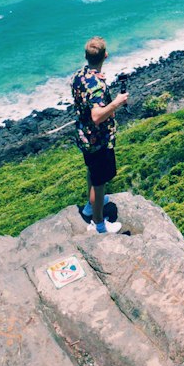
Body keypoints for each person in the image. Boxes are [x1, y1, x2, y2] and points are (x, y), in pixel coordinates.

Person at [71, 36, 128, 234]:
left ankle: (90, 205)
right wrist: (116, 103)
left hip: (84, 136)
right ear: (106, 55)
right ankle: (99, 224)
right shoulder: (97, 84)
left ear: (86, 56)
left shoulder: (79, 75)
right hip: (98, 139)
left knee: (92, 172)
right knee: (99, 182)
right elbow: (96, 116)